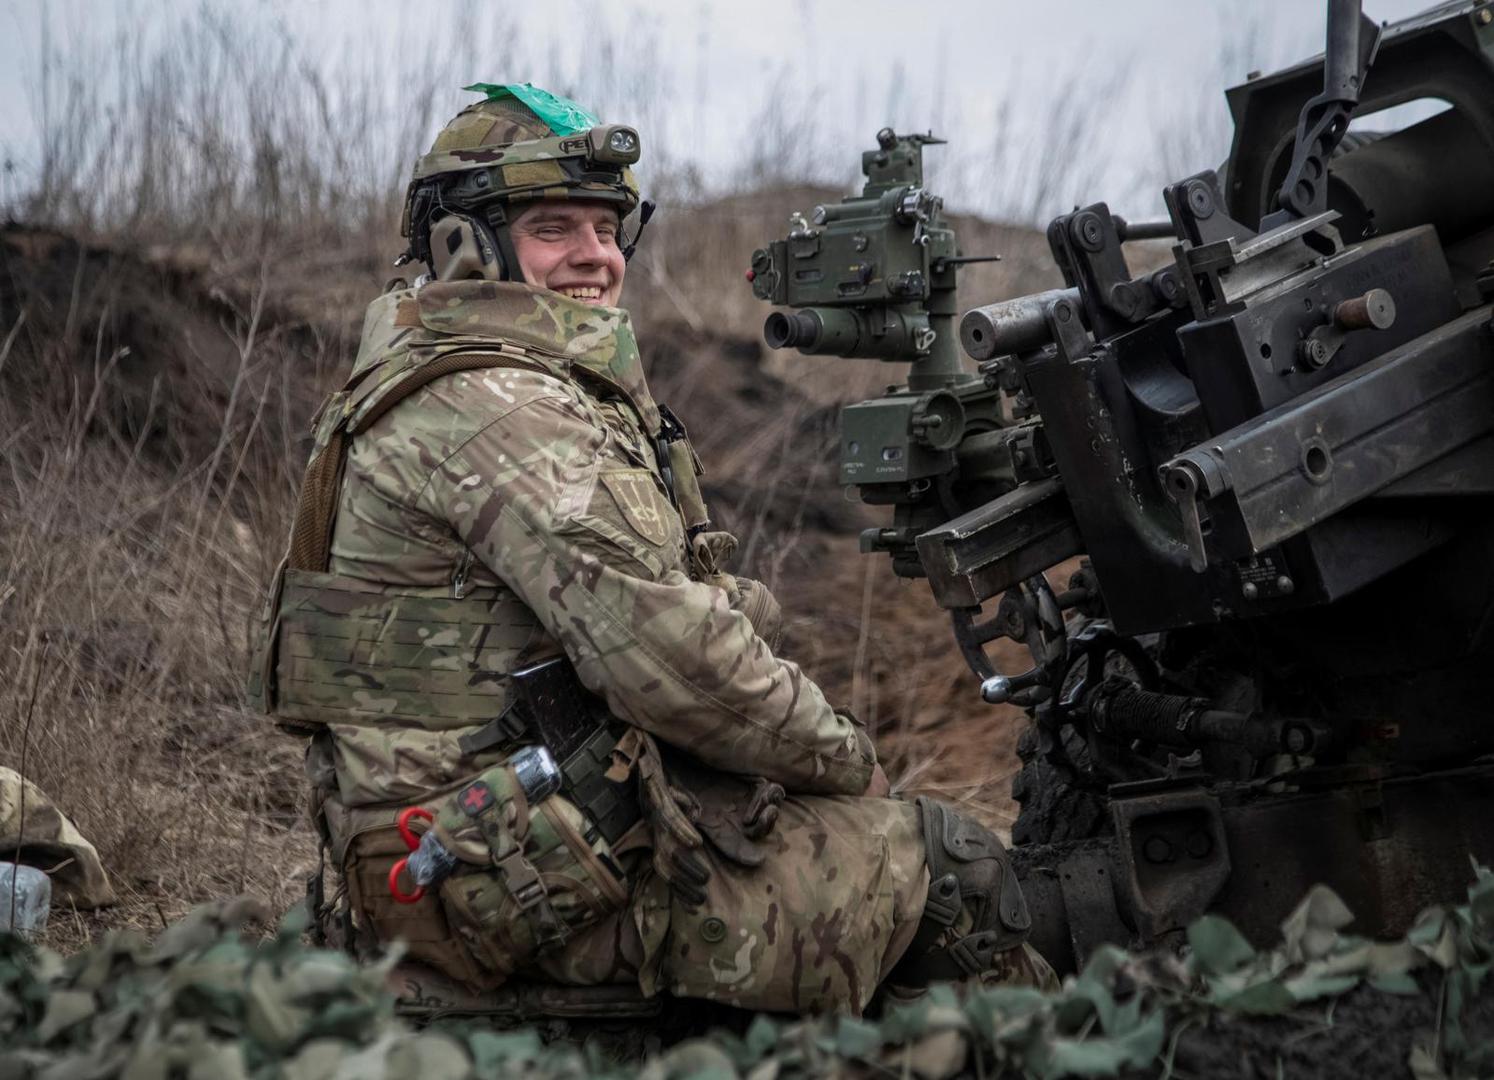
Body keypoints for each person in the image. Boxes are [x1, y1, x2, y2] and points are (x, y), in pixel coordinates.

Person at [252, 83, 1051, 1017]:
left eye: (607, 227)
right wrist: (845, 761)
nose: (597, 257)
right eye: (556, 228)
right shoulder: (499, 411)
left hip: (482, 839)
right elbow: (674, 659)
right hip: (492, 881)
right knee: (948, 866)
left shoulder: (447, 374)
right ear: (463, 245)